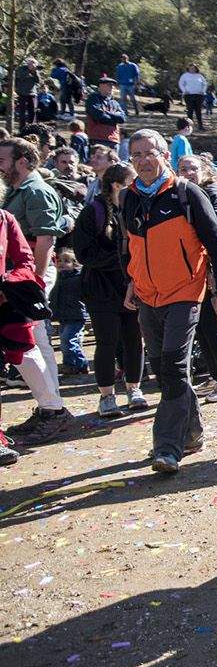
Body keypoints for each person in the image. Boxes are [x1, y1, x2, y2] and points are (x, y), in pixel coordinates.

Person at [121, 129, 217, 475]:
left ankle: (167, 447)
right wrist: (130, 281)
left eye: (150, 153)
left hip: (185, 294)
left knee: (171, 367)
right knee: (164, 369)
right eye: (136, 154)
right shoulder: (128, 198)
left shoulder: (187, 194)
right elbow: (129, 245)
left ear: (164, 155)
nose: (143, 160)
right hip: (146, 297)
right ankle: (192, 430)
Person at [0, 136, 72, 442]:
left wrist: (33, 286)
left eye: (2, 160)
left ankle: (53, 410)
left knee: (33, 342)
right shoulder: (17, 192)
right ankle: (50, 407)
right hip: (16, 281)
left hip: (22, 281)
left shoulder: (37, 192)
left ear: (21, 161)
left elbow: (44, 242)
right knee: (32, 344)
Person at [72, 161, 146, 418]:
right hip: (101, 290)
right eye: (130, 182)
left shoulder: (136, 210)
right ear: (116, 185)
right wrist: (122, 261)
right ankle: (106, 396)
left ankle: (134, 389)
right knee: (106, 341)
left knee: (134, 339)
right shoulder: (93, 212)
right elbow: (83, 253)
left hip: (134, 285)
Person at [176, 154, 217, 404]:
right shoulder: (180, 194)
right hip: (194, 271)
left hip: (211, 269)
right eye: (182, 168)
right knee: (203, 326)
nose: (188, 172)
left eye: (192, 168)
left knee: (212, 327)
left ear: (204, 170)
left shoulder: (212, 192)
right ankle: (216, 375)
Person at [48, 246, 89, 375]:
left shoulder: (78, 277)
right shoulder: (57, 278)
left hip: (76, 315)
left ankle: (82, 363)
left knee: (69, 340)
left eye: (66, 261)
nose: (62, 264)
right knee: (65, 342)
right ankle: (70, 365)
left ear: (74, 263)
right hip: (63, 315)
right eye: (59, 260)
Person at [85, 75, 126, 150]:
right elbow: (99, 116)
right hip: (98, 138)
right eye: (109, 85)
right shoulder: (93, 99)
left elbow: (122, 118)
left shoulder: (114, 102)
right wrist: (114, 118)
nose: (112, 87)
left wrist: (108, 113)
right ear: (101, 86)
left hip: (114, 139)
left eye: (113, 86)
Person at [178, 65, 208, 129]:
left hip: (198, 95)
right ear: (188, 68)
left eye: (194, 68)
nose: (192, 69)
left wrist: (202, 91)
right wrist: (184, 91)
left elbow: (204, 84)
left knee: (198, 111)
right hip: (189, 95)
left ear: (196, 69)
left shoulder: (199, 76)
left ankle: (200, 126)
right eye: (191, 68)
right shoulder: (185, 75)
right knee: (190, 110)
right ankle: (189, 126)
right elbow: (181, 83)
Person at [14, 58, 40, 126]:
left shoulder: (35, 70)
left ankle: (31, 126)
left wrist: (34, 72)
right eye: (30, 63)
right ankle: (22, 127)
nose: (31, 65)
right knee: (22, 111)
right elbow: (21, 77)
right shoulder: (21, 68)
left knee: (32, 111)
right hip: (22, 93)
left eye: (33, 63)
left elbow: (38, 81)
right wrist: (29, 70)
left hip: (32, 93)